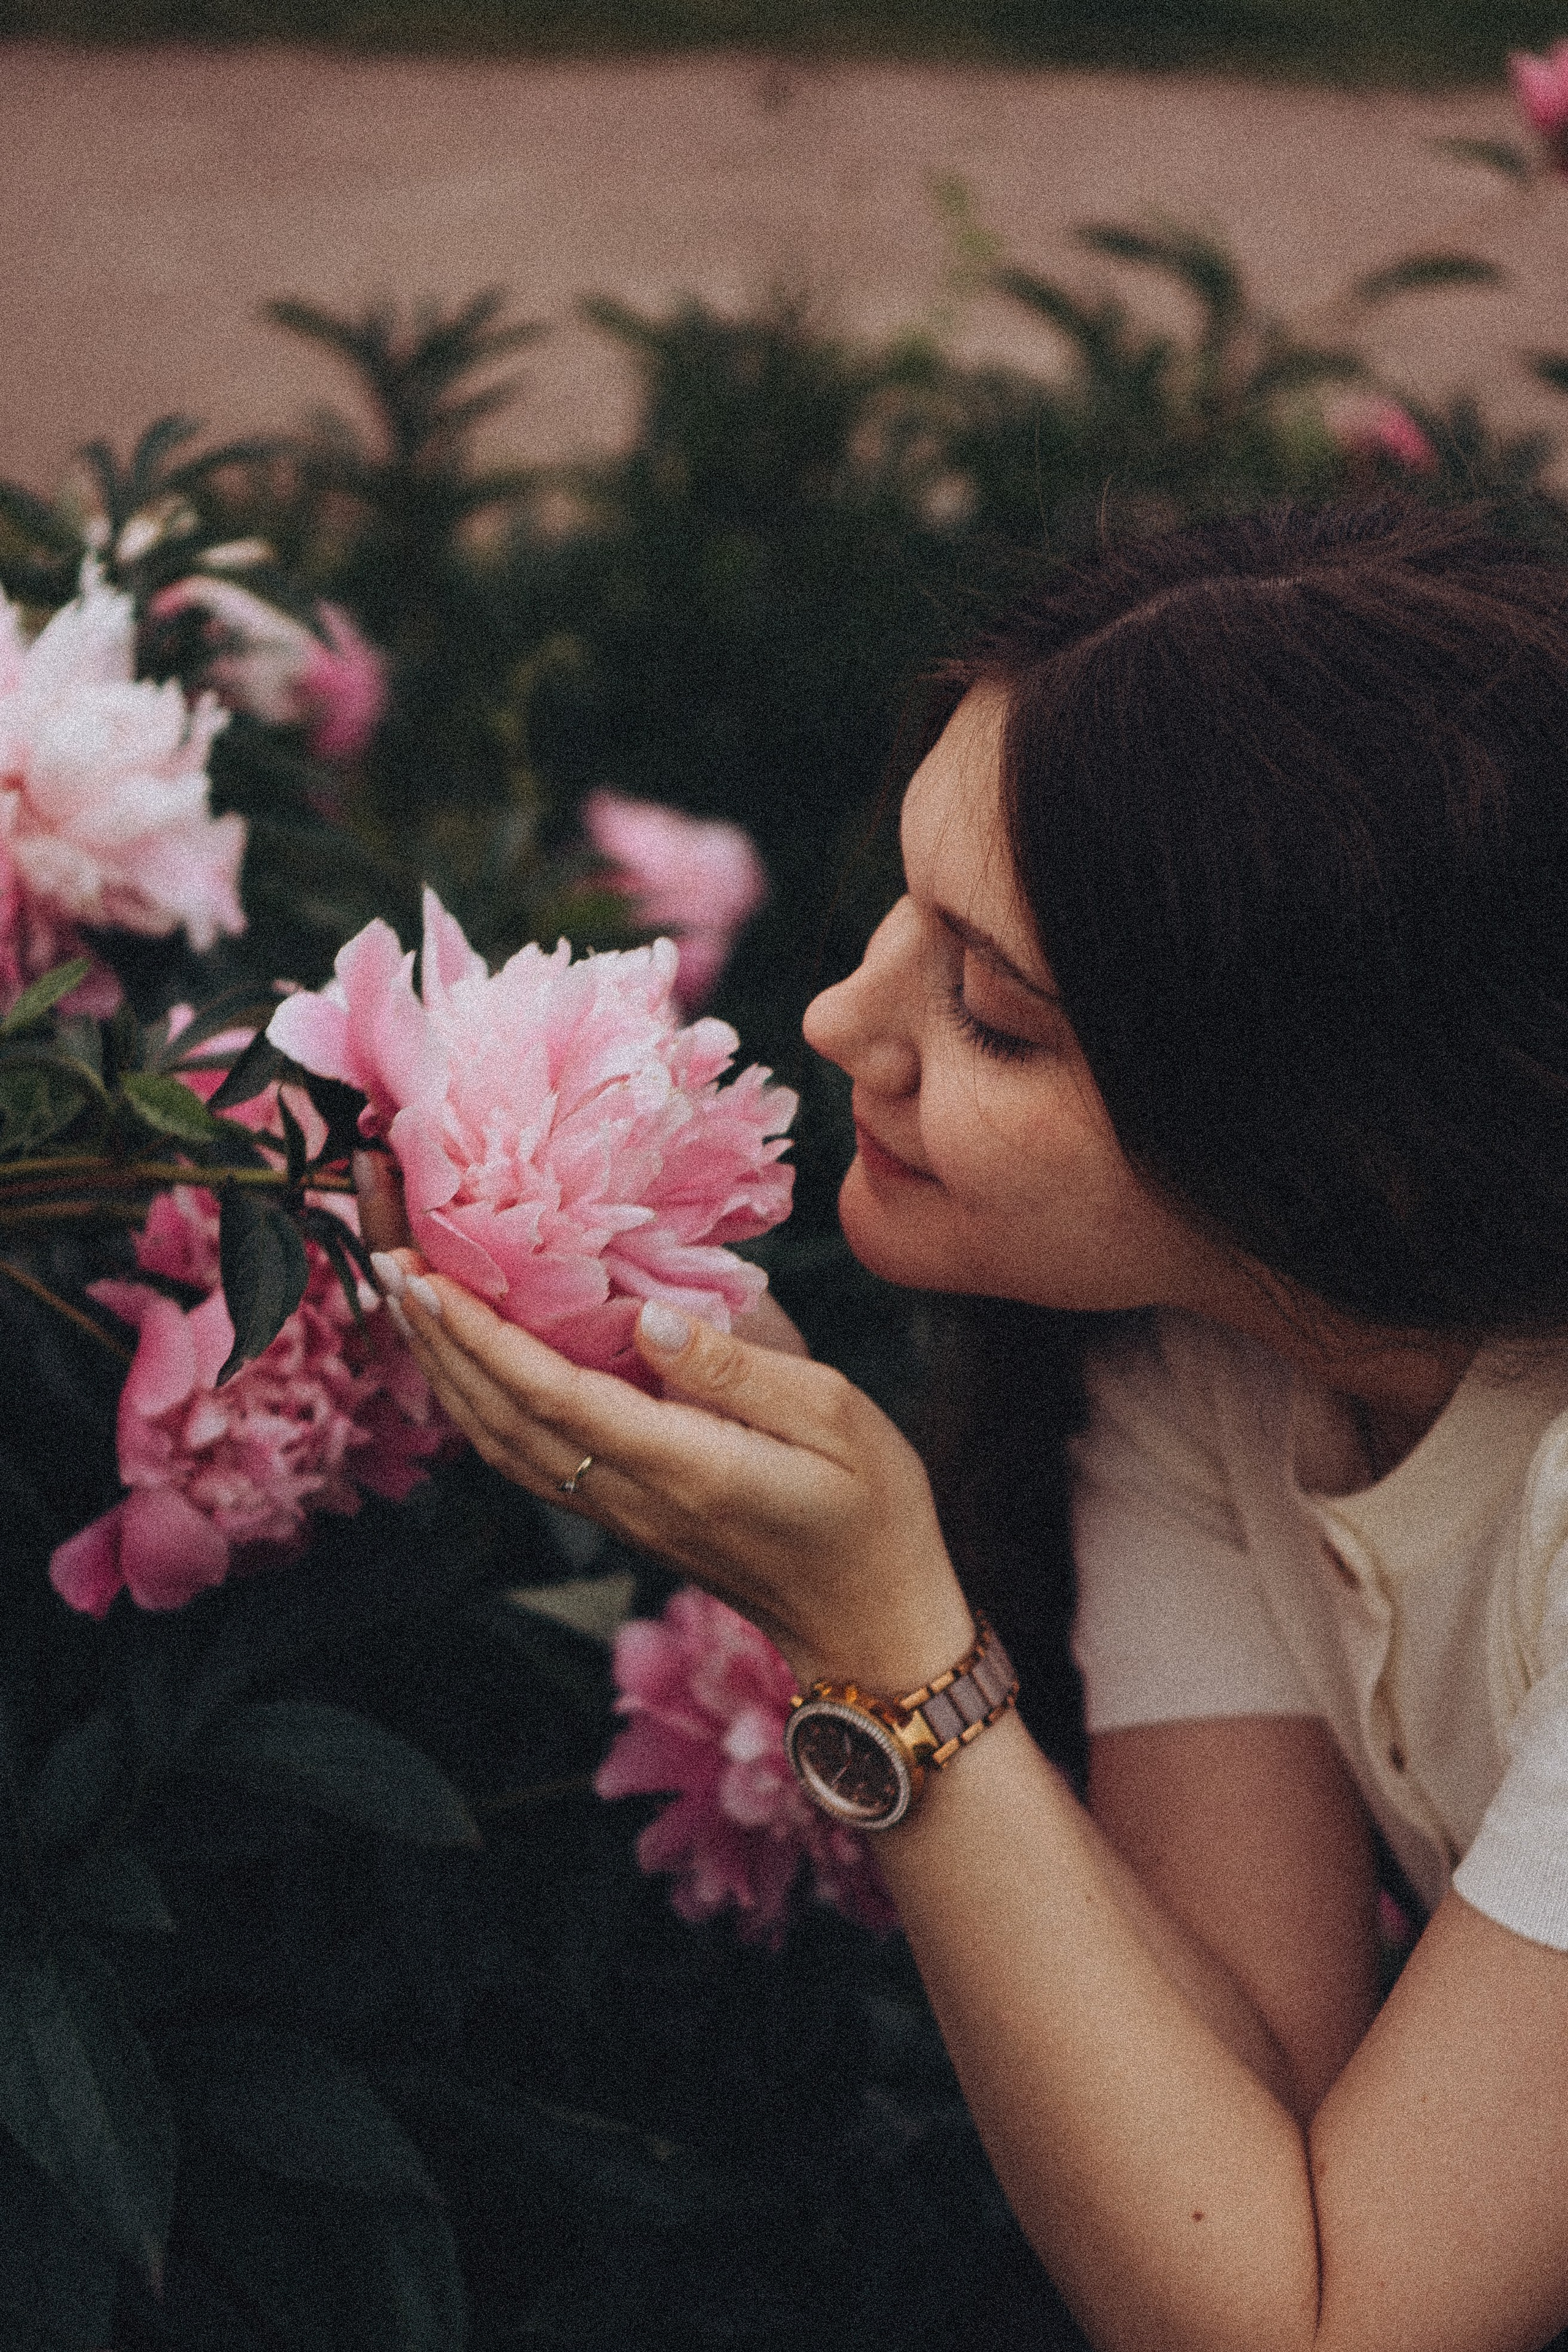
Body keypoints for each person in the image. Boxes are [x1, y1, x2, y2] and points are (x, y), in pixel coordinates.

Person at [358, 500, 1568, 2352]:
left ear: (1348, 1137)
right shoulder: (1212, 1355)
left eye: (996, 1017)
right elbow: (1238, 2136)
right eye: (906, 906)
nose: (845, 1014)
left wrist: (874, 1633)